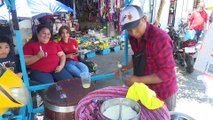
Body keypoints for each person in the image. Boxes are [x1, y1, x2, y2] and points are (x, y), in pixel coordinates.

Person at [114, 5, 178, 111]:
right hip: (146, 90)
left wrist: (138, 80)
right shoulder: (133, 38)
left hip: (163, 91)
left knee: (164, 116)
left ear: (144, 19)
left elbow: (167, 73)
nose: (134, 33)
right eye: (130, 30)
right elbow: (139, 56)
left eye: (136, 27)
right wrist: (126, 67)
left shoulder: (160, 39)